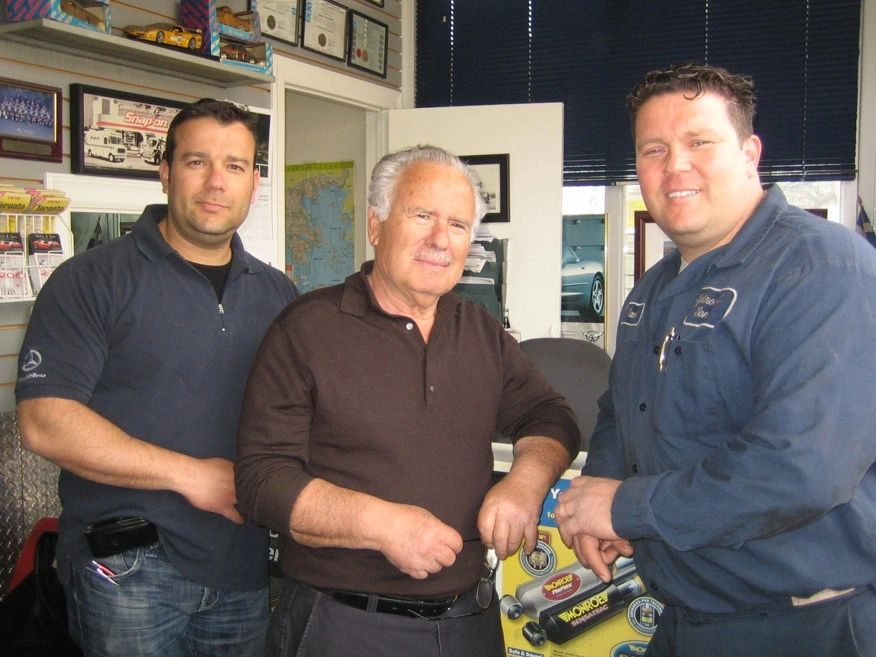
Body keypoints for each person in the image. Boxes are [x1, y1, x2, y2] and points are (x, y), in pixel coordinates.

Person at [554, 62, 876, 656]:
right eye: (653, 149)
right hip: (687, 618)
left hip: (802, 626)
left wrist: (625, 507)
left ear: (750, 151)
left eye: (699, 142)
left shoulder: (820, 268)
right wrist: (602, 479)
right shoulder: (653, 289)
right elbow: (620, 408)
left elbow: (799, 469)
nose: (675, 165)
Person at [235, 145, 580, 657]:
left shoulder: (480, 330)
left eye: (459, 225)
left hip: (470, 622)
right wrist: (381, 525)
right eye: (422, 216)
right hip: (344, 626)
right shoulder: (307, 330)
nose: (441, 240)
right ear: (376, 226)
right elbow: (262, 481)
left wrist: (525, 484)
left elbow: (551, 416)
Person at [16, 99, 298, 657]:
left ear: (254, 182)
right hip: (130, 571)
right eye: (197, 162)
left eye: (235, 166)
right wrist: (191, 475)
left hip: (242, 566)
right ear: (165, 171)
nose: (216, 182)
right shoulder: (92, 280)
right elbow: (45, 422)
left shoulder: (277, 294)